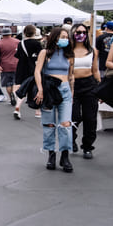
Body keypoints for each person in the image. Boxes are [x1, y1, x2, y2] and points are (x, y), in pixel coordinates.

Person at [34, 27, 75, 172]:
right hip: (49, 90)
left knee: (65, 124)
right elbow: (37, 71)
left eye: (66, 37)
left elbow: (71, 76)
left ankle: (65, 155)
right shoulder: (44, 53)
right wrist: (40, 89)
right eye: (62, 36)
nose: (65, 39)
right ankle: (51, 154)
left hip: (64, 90)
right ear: (55, 37)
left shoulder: (69, 54)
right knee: (49, 124)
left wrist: (72, 93)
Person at [70, 24, 101, 159]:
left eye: (83, 32)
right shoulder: (67, 50)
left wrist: (100, 88)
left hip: (89, 85)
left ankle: (87, 147)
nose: (81, 34)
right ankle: (71, 140)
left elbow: (95, 70)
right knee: (74, 116)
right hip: (72, 86)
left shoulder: (92, 50)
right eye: (78, 32)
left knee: (90, 118)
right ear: (73, 33)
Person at [14, 25, 43, 120]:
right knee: (36, 88)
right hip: (33, 68)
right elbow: (40, 57)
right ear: (34, 32)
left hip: (21, 68)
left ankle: (18, 106)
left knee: (23, 88)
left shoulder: (20, 43)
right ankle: (38, 111)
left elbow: (17, 55)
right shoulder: (37, 44)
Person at [0, 28, 20, 108]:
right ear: (10, 34)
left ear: (2, 34)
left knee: (8, 83)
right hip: (17, 65)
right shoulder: (18, 42)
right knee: (16, 82)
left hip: (5, 66)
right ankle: (14, 94)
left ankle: (10, 97)